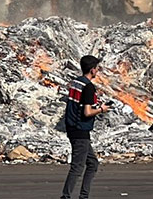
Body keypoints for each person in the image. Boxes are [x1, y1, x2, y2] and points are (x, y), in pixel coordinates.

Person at [60, 54, 106, 199]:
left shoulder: (76, 83)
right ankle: (66, 196)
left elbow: (78, 105)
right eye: (97, 68)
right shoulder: (88, 87)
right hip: (80, 130)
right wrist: (102, 109)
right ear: (92, 70)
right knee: (78, 166)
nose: (97, 70)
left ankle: (83, 196)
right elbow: (87, 112)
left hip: (72, 127)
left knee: (92, 163)